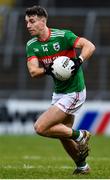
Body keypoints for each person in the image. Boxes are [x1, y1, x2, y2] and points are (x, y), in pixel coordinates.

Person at [25, 5, 96, 174]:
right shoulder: (32, 45)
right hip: (59, 92)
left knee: (40, 127)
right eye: (27, 22)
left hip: (75, 90)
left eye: (32, 21)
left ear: (43, 21)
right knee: (62, 134)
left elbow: (89, 46)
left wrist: (78, 61)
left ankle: (81, 135)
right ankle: (82, 167)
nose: (28, 25)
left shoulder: (63, 36)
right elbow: (34, 71)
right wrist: (49, 69)